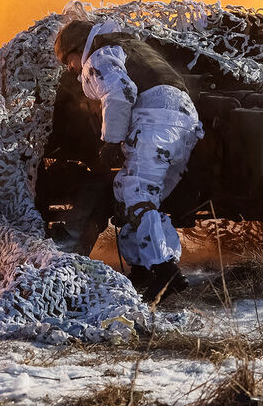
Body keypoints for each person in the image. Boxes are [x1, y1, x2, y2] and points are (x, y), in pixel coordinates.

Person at [53, 19, 204, 303]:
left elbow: (121, 92)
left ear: (77, 49)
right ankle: (145, 269)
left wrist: (111, 140)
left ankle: (164, 271)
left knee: (136, 191)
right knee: (133, 192)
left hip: (156, 117)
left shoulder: (99, 55)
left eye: (68, 61)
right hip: (182, 119)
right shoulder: (129, 45)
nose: (71, 68)